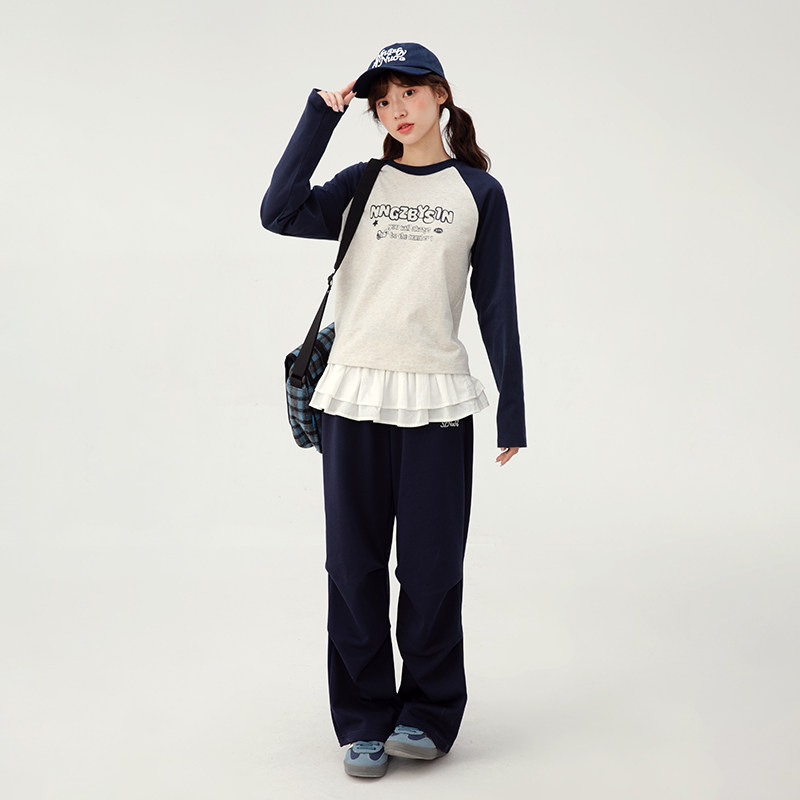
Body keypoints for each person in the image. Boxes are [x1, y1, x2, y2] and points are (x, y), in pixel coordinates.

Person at [260, 41, 527, 779]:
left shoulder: (479, 193)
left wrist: (512, 410)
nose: (396, 109)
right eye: (382, 101)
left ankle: (429, 714)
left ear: (440, 94)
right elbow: (278, 211)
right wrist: (322, 115)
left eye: (408, 92)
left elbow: (497, 304)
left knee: (433, 571)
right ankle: (363, 720)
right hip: (351, 397)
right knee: (352, 568)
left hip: (437, 399)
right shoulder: (361, 183)